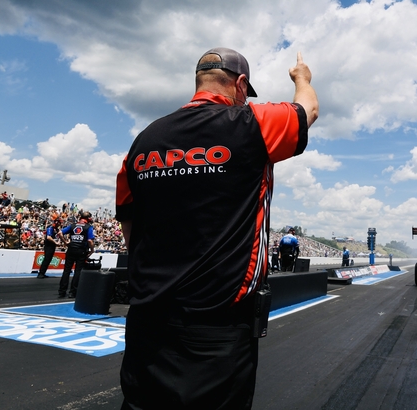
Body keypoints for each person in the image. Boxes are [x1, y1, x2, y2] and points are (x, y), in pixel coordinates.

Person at [115, 48, 318, 409]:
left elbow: (130, 231)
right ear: (240, 84)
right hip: (217, 327)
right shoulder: (248, 122)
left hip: (147, 322)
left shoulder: (142, 142)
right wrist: (302, 77)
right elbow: (307, 111)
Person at [58, 211, 95, 298]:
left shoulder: (73, 225)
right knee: (78, 271)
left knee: (66, 270)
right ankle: (73, 292)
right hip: (81, 250)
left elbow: (60, 233)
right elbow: (90, 240)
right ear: (88, 219)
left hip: (71, 249)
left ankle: (62, 291)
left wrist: (65, 242)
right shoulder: (88, 227)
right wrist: (92, 250)